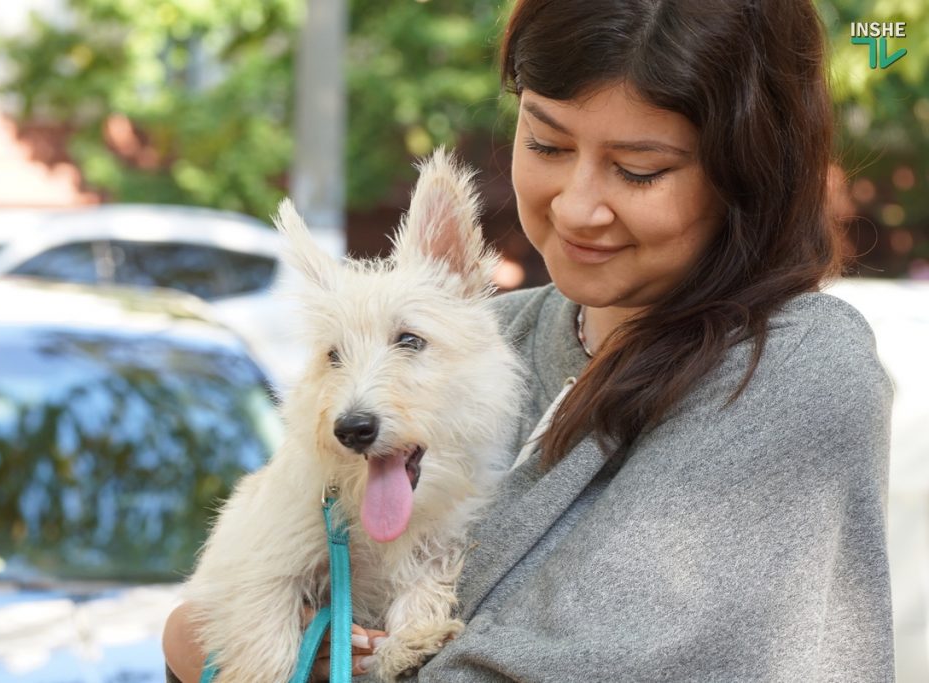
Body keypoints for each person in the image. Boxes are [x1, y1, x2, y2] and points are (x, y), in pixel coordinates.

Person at [165, 0, 895, 679]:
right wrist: (197, 637)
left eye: (639, 170)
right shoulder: (489, 338)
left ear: (748, 169)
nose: (577, 207)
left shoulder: (794, 364)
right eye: (546, 141)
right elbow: (218, 610)